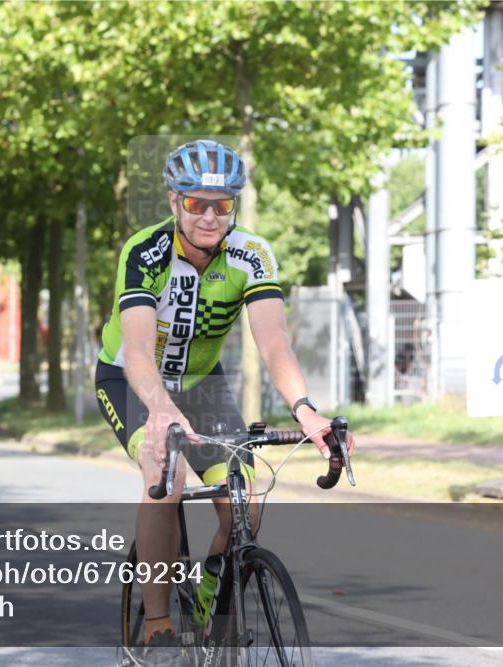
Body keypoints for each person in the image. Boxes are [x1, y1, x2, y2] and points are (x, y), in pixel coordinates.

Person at [94, 140, 356, 661]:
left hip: (201, 382)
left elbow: (274, 340)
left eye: (222, 204)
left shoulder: (250, 255)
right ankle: (161, 621)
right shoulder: (145, 252)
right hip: (132, 380)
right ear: (174, 202)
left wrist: (305, 408)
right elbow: (141, 350)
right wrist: (161, 408)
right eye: (197, 204)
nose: (210, 216)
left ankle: (213, 598)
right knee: (163, 478)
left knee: (244, 502)